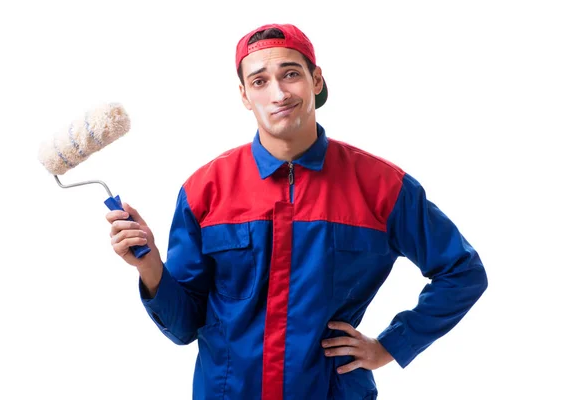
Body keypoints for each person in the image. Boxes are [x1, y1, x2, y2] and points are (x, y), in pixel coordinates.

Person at [105, 23, 488, 400]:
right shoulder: (205, 189)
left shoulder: (381, 187)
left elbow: (463, 272)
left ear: (316, 80)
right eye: (259, 81)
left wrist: (389, 346)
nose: (279, 93)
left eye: (291, 74)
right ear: (243, 95)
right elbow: (185, 327)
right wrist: (150, 266)